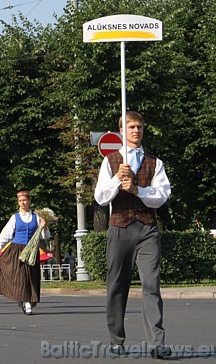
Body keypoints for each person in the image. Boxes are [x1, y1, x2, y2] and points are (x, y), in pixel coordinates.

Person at [94, 111, 172, 359]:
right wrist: (118, 178)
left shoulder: (155, 162)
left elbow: (161, 197)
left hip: (147, 228)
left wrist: (137, 189)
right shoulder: (111, 161)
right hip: (119, 227)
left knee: (151, 285)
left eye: (139, 127)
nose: (136, 131)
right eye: (131, 127)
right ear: (122, 131)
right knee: (117, 285)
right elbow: (100, 197)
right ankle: (116, 340)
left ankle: (157, 343)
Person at [0, 190, 49, 314]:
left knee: (31, 276)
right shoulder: (15, 217)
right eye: (20, 201)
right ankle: (25, 301)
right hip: (17, 250)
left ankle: (29, 300)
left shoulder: (37, 216)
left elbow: (44, 236)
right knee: (20, 276)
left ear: (29, 201)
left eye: (24, 200)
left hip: (31, 250)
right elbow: (5, 235)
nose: (22, 203)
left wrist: (44, 227)